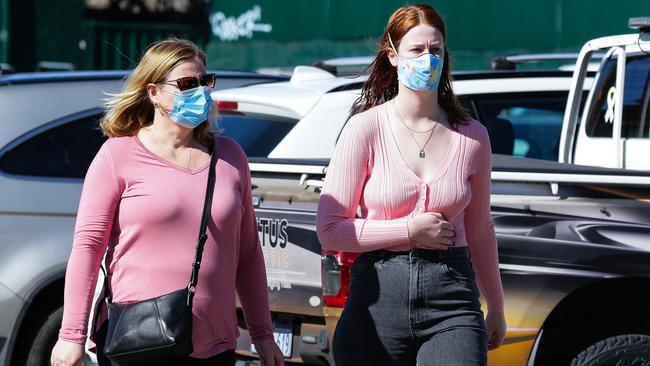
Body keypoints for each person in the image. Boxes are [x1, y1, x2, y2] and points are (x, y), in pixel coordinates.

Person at [50, 38, 284, 366]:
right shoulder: (118, 155)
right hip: (136, 341)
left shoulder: (231, 157)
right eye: (187, 84)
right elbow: (88, 248)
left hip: (214, 346)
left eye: (205, 82)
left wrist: (263, 334)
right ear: (154, 92)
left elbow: (247, 254)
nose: (200, 91)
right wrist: (71, 336)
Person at [316, 4, 506, 365]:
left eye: (436, 50)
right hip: (377, 293)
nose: (428, 59)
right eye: (416, 50)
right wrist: (408, 229)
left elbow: (481, 230)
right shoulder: (364, 129)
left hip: (451, 294)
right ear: (393, 56)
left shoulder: (473, 137)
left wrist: (495, 306)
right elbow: (329, 230)